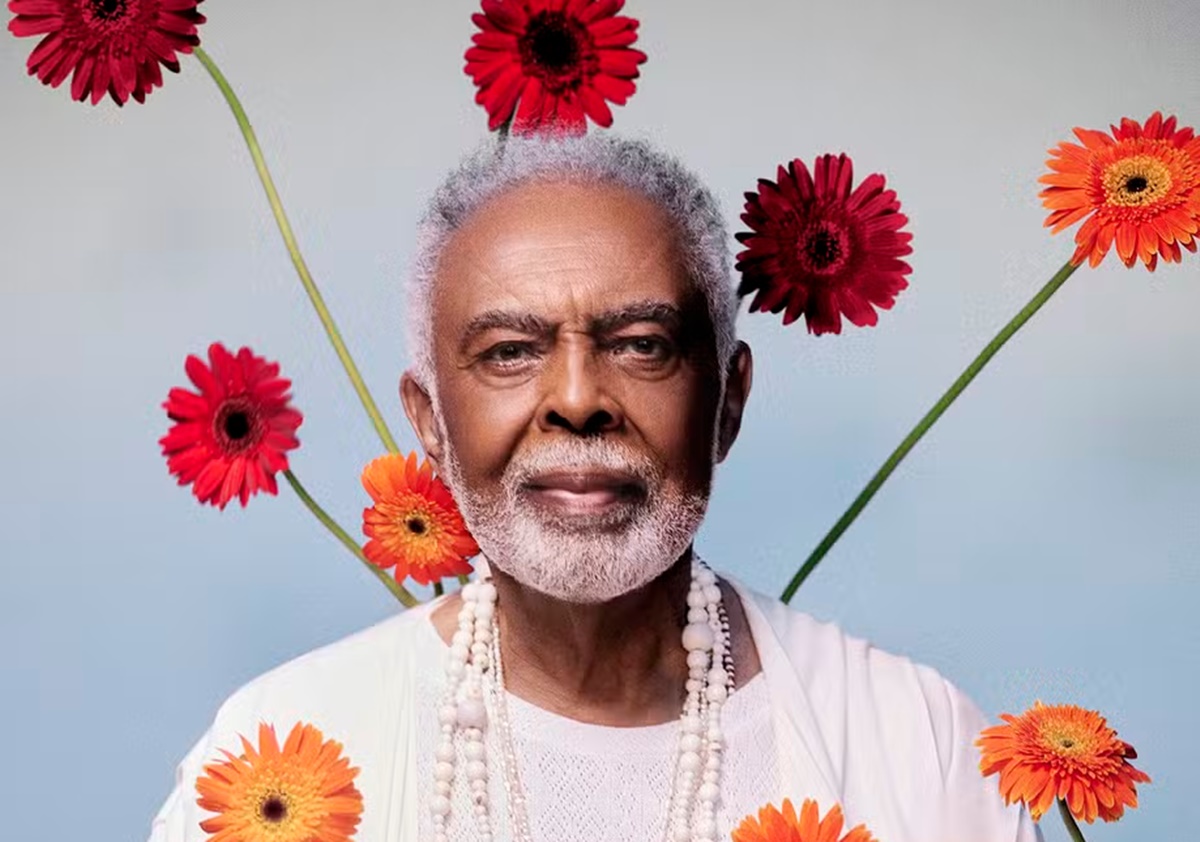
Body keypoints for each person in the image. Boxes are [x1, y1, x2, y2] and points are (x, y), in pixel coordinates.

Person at [148, 133, 1039, 842]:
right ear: (430, 423)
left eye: (642, 345)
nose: (577, 401)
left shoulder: (916, 746)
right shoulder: (276, 753)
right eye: (509, 353)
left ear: (727, 402)